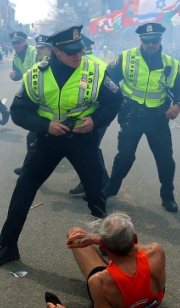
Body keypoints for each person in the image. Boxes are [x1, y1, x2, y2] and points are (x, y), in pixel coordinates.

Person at [0, 25, 124, 265]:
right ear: (56, 51)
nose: (77, 55)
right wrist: (44, 125)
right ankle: (8, 246)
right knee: (23, 190)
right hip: (48, 141)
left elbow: (115, 100)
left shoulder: (95, 70)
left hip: (83, 140)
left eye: (79, 49)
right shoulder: (36, 74)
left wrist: (96, 121)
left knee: (95, 195)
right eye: (71, 51)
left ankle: (107, 246)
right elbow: (18, 112)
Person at [103, 23, 180, 212]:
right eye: (147, 41)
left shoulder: (171, 63)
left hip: (158, 118)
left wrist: (178, 105)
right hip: (132, 115)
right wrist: (117, 96)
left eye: (155, 40)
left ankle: (168, 196)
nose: (151, 44)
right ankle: (110, 189)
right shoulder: (127, 57)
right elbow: (107, 77)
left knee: (165, 159)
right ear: (141, 40)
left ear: (160, 40)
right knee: (125, 157)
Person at [46, 212, 166, 308]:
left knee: (73, 232)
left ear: (103, 246)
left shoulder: (100, 282)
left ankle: (111, 260)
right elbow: (134, 248)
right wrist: (101, 240)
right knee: (123, 263)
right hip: (153, 303)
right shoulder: (156, 251)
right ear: (135, 238)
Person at [69, 35, 111, 196]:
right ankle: (96, 182)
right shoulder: (100, 63)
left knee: (89, 149)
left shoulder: (88, 66)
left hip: (93, 116)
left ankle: (99, 184)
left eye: (75, 50)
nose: (74, 54)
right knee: (89, 149)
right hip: (98, 115)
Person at [12, 34, 52, 176]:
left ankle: (100, 182)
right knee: (33, 138)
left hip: (58, 114)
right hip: (45, 112)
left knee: (80, 153)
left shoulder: (52, 66)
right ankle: (30, 169)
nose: (38, 50)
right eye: (38, 47)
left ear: (50, 49)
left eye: (42, 48)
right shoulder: (39, 66)